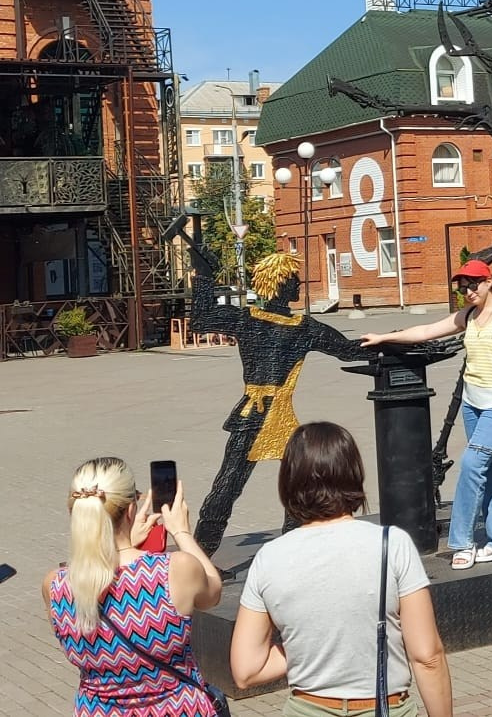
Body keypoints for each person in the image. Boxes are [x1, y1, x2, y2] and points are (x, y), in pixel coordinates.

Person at [230, 422, 453, 717]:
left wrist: (308, 649)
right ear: (354, 474)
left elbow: (246, 670)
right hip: (385, 707)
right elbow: (427, 657)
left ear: (289, 481)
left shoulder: (269, 557)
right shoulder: (392, 544)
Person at [190, 250, 365, 556]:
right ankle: (202, 556)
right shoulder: (262, 320)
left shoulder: (293, 324)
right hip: (256, 415)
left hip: (273, 415)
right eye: (294, 279)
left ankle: (292, 547)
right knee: (230, 485)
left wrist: (398, 341)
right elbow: (201, 319)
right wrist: (203, 276)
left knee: (294, 481)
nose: (299, 284)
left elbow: (349, 350)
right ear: (280, 283)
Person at [361, 259, 492, 570]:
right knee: (491, 472)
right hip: (473, 405)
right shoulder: (469, 315)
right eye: (463, 287)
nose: (469, 291)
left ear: (489, 282)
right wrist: (384, 337)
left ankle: (462, 542)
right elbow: (427, 331)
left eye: (474, 284)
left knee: (471, 465)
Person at [43, 457, 223, 716]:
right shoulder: (175, 569)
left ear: (76, 511)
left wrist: (128, 544)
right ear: (130, 510)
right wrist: (181, 532)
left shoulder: (55, 585)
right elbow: (213, 592)